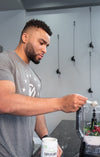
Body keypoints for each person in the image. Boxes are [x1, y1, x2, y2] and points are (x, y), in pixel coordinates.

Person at [0, 19, 87, 157]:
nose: (44, 50)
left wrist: (46, 138)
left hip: (25, 152)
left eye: (47, 45)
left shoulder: (35, 77)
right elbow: (4, 101)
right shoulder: (4, 60)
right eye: (41, 43)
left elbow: (37, 113)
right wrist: (60, 103)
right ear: (25, 37)